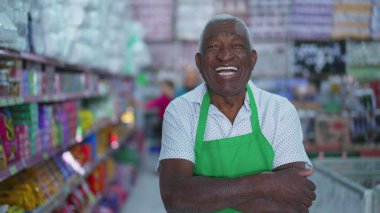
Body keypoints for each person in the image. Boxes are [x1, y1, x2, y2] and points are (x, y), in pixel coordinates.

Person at [159, 14, 316, 213]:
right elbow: (177, 199)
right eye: (213, 46)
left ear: (252, 59)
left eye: (238, 46)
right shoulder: (181, 111)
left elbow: (292, 201)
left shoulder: (278, 110)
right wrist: (265, 184)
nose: (225, 56)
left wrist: (205, 196)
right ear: (199, 61)